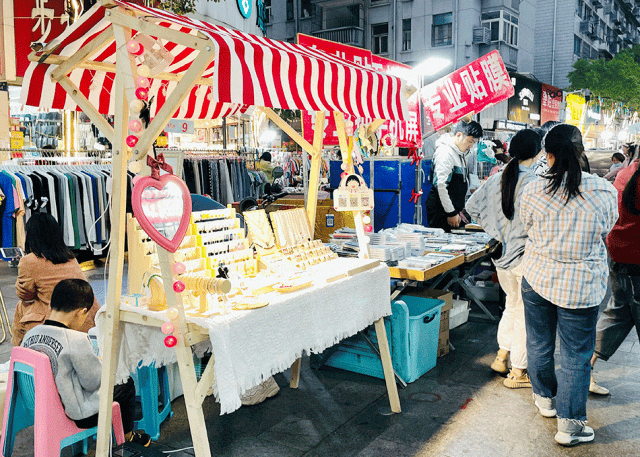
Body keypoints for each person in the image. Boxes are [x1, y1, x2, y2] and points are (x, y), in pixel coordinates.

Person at [519, 124, 618, 446]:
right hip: (582, 285)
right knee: (576, 355)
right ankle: (570, 427)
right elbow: (606, 228)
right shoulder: (603, 190)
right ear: (580, 152)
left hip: (537, 277)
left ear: (547, 154)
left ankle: (545, 400)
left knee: (539, 343)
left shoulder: (533, 189)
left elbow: (527, 226)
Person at [21, 279, 151, 446]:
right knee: (125, 383)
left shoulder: (30, 335)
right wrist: (100, 362)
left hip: (40, 407)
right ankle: (128, 436)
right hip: (76, 414)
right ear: (81, 312)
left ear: (51, 305)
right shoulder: (76, 340)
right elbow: (93, 382)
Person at [466, 129, 541, 389]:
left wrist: (496, 231)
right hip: (525, 257)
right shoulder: (536, 183)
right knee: (524, 313)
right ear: (537, 153)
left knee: (512, 305)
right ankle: (518, 371)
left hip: (500, 256)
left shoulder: (497, 178)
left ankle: (501, 356)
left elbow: (471, 207)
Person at [589, 147, 640, 395]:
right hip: (635, 259)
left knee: (617, 314)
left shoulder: (624, 173)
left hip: (619, 254)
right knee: (618, 314)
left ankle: (583, 372)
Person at [12, 213, 100, 347]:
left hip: (55, 320)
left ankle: (20, 351)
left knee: (21, 306)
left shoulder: (29, 261)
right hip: (85, 318)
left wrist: (19, 282)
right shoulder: (70, 257)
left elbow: (25, 295)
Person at [426, 120, 483, 231]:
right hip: (441, 211)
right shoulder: (445, 153)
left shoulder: (461, 153)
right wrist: (451, 212)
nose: (471, 146)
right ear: (459, 135)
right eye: (470, 141)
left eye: (474, 143)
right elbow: (441, 186)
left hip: (452, 211)